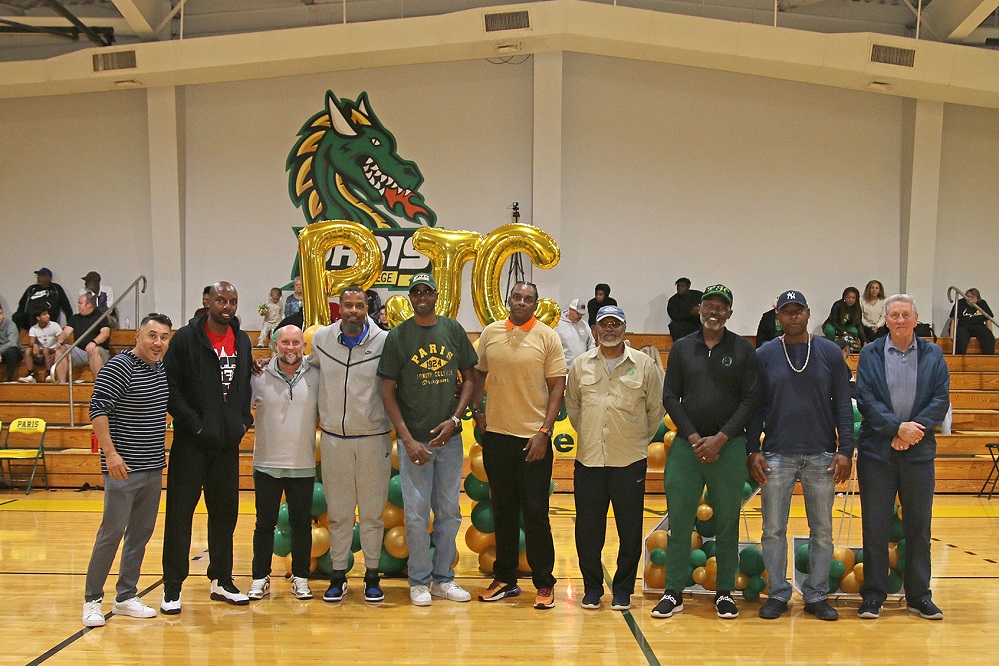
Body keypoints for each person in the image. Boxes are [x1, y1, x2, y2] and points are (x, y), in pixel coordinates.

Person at [653, 284, 759, 620]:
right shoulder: (683, 348)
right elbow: (671, 397)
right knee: (679, 522)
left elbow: (750, 400)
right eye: (709, 305)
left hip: (728, 448)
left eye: (721, 306)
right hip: (688, 446)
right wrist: (695, 436)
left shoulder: (743, 350)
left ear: (729, 313)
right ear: (699, 309)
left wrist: (721, 438)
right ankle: (673, 591)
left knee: (727, 522)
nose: (714, 311)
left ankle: (724, 591)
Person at [746, 290, 854, 622]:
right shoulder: (764, 354)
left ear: (808, 313)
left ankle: (816, 594)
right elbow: (754, 407)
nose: (793, 316)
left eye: (799, 310)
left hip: (822, 455)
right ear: (777, 316)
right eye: (786, 311)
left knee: (821, 530)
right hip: (776, 454)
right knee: (773, 529)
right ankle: (777, 593)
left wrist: (845, 449)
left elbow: (843, 406)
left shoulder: (829, 352)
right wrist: (753, 449)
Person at [379, 274, 478, 606]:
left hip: (449, 441)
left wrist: (455, 419)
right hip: (416, 444)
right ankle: (418, 581)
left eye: (427, 291)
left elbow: (470, 378)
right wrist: (406, 439)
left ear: (436, 296)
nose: (422, 296)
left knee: (449, 512)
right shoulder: (398, 336)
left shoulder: (452, 330)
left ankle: (443, 580)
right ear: (410, 298)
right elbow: (386, 390)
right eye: (415, 292)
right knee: (417, 515)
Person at [160, 281, 254, 614]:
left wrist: (244, 421)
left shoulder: (242, 340)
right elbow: (169, 384)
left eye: (233, 300)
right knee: (179, 515)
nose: (227, 306)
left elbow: (243, 386)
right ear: (207, 302)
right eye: (221, 300)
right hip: (191, 443)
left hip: (227, 445)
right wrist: (193, 423)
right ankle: (172, 587)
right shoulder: (186, 339)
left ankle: (222, 580)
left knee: (225, 514)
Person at [473, 282, 567, 609]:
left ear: (536, 304)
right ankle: (506, 579)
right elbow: (477, 374)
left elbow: (558, 386)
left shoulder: (547, 336)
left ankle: (544, 582)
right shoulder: (490, 333)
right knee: (503, 510)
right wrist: (477, 410)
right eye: (517, 297)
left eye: (528, 299)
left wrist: (545, 431)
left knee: (536, 513)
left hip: (533, 439)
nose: (521, 302)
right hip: (497, 436)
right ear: (508, 300)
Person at [856, 294, 949, 620]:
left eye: (904, 314)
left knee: (919, 528)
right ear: (885, 320)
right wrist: (897, 429)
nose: (899, 320)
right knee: (875, 526)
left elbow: (940, 400)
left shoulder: (933, 354)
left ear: (915, 318)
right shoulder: (870, 353)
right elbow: (865, 399)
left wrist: (913, 431)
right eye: (893, 314)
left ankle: (919, 595)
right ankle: (873, 595)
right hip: (877, 454)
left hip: (919, 454)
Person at [565, 305, 665, 611]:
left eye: (616, 324)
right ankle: (592, 588)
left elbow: (656, 410)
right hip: (589, 460)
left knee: (630, 530)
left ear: (624, 328)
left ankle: (623, 589)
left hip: (629, 461)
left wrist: (635, 441)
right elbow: (574, 408)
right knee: (588, 531)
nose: (610, 329)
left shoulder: (645, 365)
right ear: (595, 329)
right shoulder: (581, 365)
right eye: (604, 324)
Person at [82, 313, 173, 627]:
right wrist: (111, 454)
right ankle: (92, 600)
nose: (157, 342)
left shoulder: (160, 368)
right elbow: (98, 410)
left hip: (153, 468)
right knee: (111, 534)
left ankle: (125, 597)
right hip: (123, 469)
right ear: (138, 335)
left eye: (163, 337)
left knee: (140, 535)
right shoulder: (118, 367)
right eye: (152, 335)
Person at [310, 286, 392, 604]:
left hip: (374, 439)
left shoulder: (385, 342)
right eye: (348, 305)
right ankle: (338, 575)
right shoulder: (321, 340)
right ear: (339, 308)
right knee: (340, 515)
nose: (353, 311)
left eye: (359, 305)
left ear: (367, 309)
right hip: (333, 440)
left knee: (372, 515)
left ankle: (372, 576)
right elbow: (302, 366)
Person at [247, 325, 318, 602]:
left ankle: (300, 579)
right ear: (275, 345)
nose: (291, 348)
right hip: (266, 464)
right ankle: (259, 578)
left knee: (302, 525)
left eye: (296, 343)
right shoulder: (258, 375)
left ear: (303, 345)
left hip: (302, 465)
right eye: (285, 342)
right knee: (264, 524)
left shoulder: (317, 376)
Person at [54, 294, 111, 383]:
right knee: (60, 349)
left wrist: (94, 342)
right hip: (80, 351)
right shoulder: (75, 318)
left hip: (99, 350)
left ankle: (99, 385)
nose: (78, 305)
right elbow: (65, 332)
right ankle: (62, 384)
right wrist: (61, 339)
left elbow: (105, 333)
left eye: (80, 303)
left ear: (88, 304)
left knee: (93, 350)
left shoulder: (101, 317)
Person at [21, 308, 62, 383]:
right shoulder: (34, 328)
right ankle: (31, 375)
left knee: (46, 349)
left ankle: (49, 373)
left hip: (53, 351)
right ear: (38, 318)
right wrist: (35, 345)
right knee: (28, 350)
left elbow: (60, 342)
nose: (48, 316)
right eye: (44, 314)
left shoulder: (54, 326)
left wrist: (56, 353)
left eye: (48, 314)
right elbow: (31, 342)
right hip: (41, 353)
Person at [952, 288, 995, 355]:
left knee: (988, 335)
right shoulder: (960, 303)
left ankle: (988, 358)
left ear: (977, 298)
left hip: (978, 326)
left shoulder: (982, 303)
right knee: (962, 336)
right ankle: (960, 357)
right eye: (968, 296)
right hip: (963, 326)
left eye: (973, 297)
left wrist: (990, 333)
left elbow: (988, 319)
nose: (970, 299)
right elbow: (954, 320)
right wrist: (952, 335)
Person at [554, 298, 594, 369]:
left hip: (582, 369)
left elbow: (591, 344)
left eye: (582, 314)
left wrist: (590, 361)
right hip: (564, 370)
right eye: (578, 313)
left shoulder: (584, 325)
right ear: (570, 309)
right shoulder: (557, 326)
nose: (580, 316)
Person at [0, 305, 25, 382]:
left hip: (14, 352)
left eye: (0, 313)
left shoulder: (10, 325)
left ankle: (9, 378)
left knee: (11, 351)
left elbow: (12, 343)